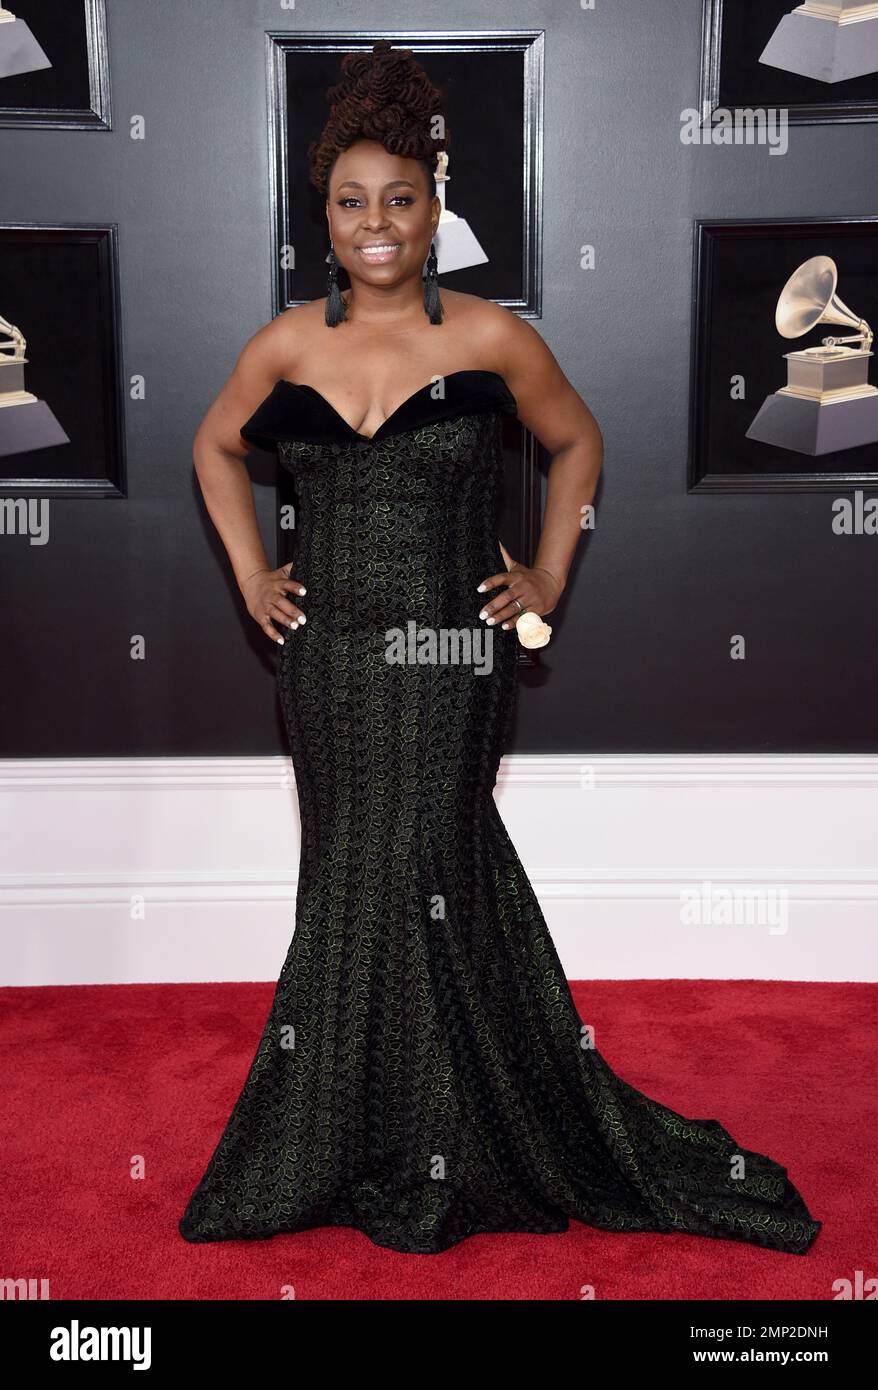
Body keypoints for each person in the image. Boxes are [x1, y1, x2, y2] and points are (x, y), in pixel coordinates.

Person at [178, 41, 820, 1256]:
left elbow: (577, 449)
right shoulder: (281, 347)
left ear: (435, 209)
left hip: (448, 660)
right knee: (354, 885)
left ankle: (456, 1138)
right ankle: (360, 1131)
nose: (375, 224)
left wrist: (545, 574)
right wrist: (252, 571)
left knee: (427, 865)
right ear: (322, 217)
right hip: (324, 670)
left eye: (399, 200)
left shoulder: (490, 340)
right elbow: (212, 450)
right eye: (349, 202)